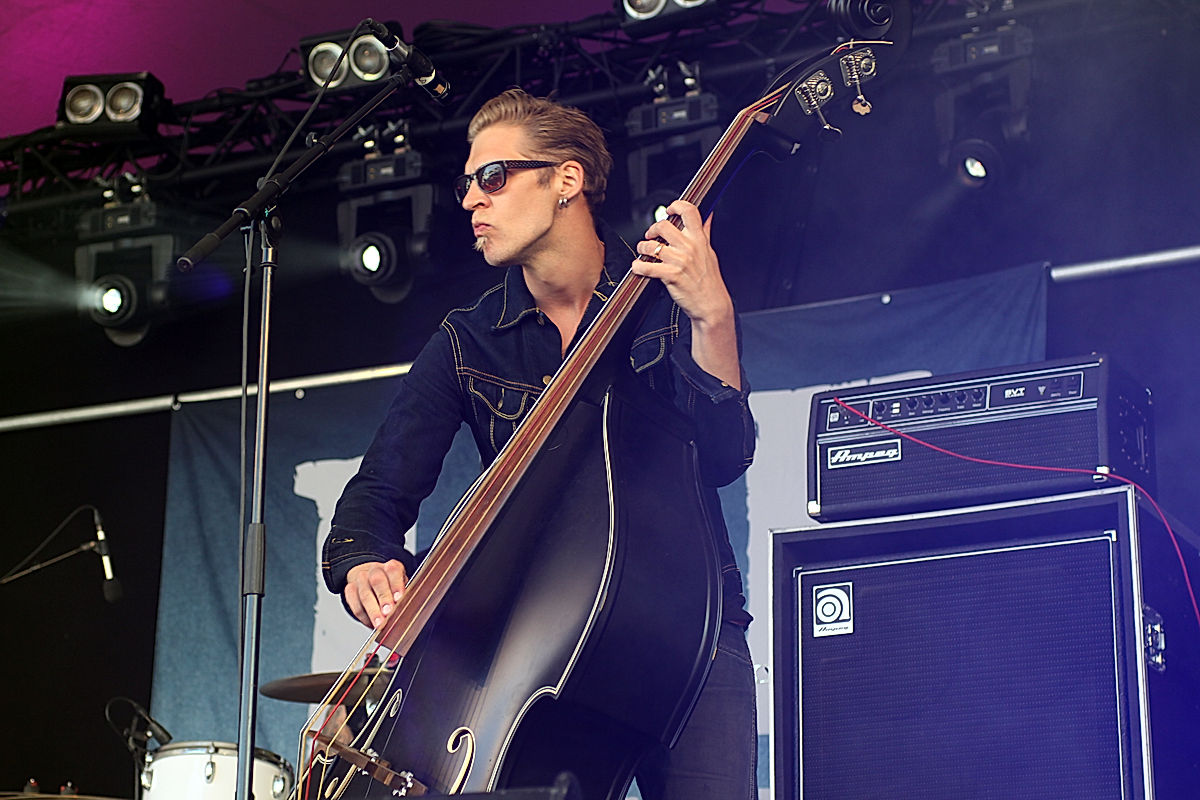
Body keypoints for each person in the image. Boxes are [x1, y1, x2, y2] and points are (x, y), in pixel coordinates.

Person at [322, 88, 757, 800]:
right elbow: (375, 496)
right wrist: (364, 562)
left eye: (492, 177)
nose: (470, 200)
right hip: (537, 641)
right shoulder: (468, 340)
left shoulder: (662, 295)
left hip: (688, 629)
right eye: (465, 184)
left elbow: (724, 455)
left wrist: (712, 316)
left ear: (566, 180)